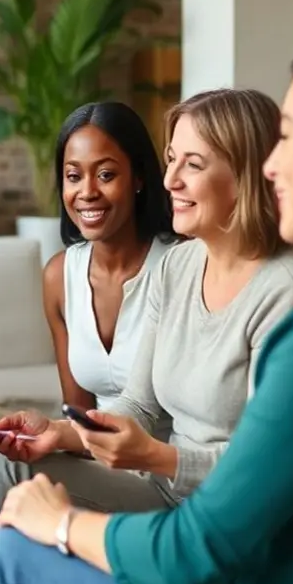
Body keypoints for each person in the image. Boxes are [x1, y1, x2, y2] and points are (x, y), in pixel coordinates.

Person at [0, 34, 293, 584]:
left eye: (290, 139)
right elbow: (139, 405)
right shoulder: (188, 268)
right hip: (207, 524)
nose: (274, 165)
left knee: (3, 558)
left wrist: (61, 524)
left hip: (244, 561)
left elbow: (203, 545)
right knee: (5, 511)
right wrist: (66, 432)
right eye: (170, 161)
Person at [41, 101, 178, 414]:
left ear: (139, 178)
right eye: (74, 176)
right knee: (5, 454)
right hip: (97, 453)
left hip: (168, 454)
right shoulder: (59, 277)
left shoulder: (180, 266)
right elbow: (77, 413)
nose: (87, 192)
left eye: (105, 174)